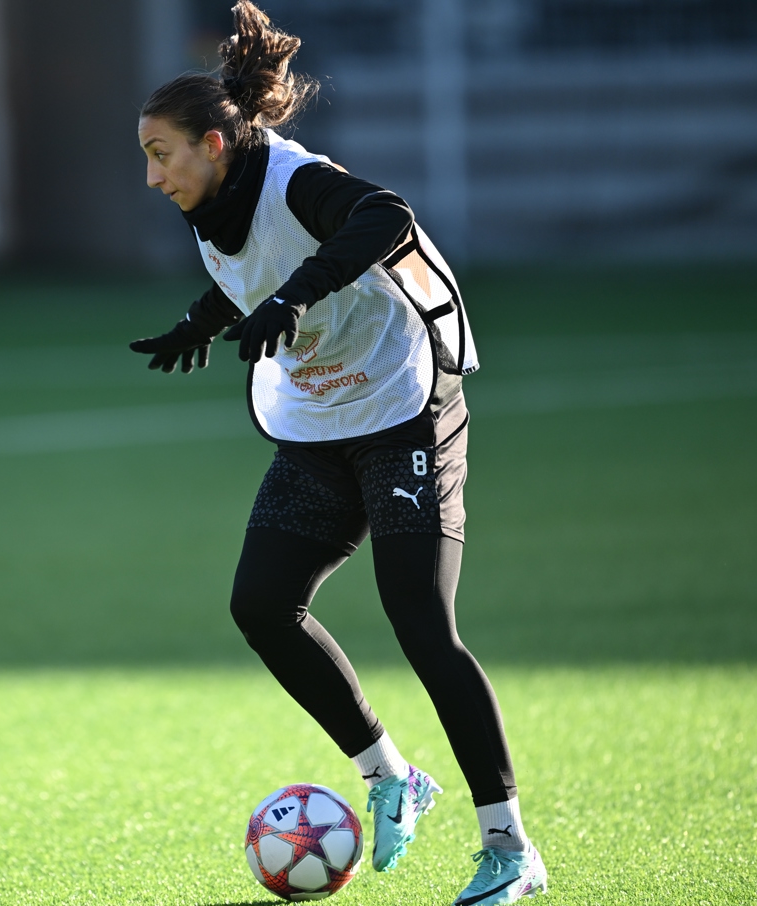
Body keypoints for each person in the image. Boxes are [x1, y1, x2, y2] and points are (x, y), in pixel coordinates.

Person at [129, 4, 546, 903]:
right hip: (323, 421)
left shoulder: (296, 178)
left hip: (403, 408)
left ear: (212, 142)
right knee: (261, 605)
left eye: (161, 154)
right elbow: (250, 272)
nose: (153, 176)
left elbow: (383, 216)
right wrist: (201, 322)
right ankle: (393, 775)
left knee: (423, 628)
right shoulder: (208, 201)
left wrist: (288, 300)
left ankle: (511, 851)